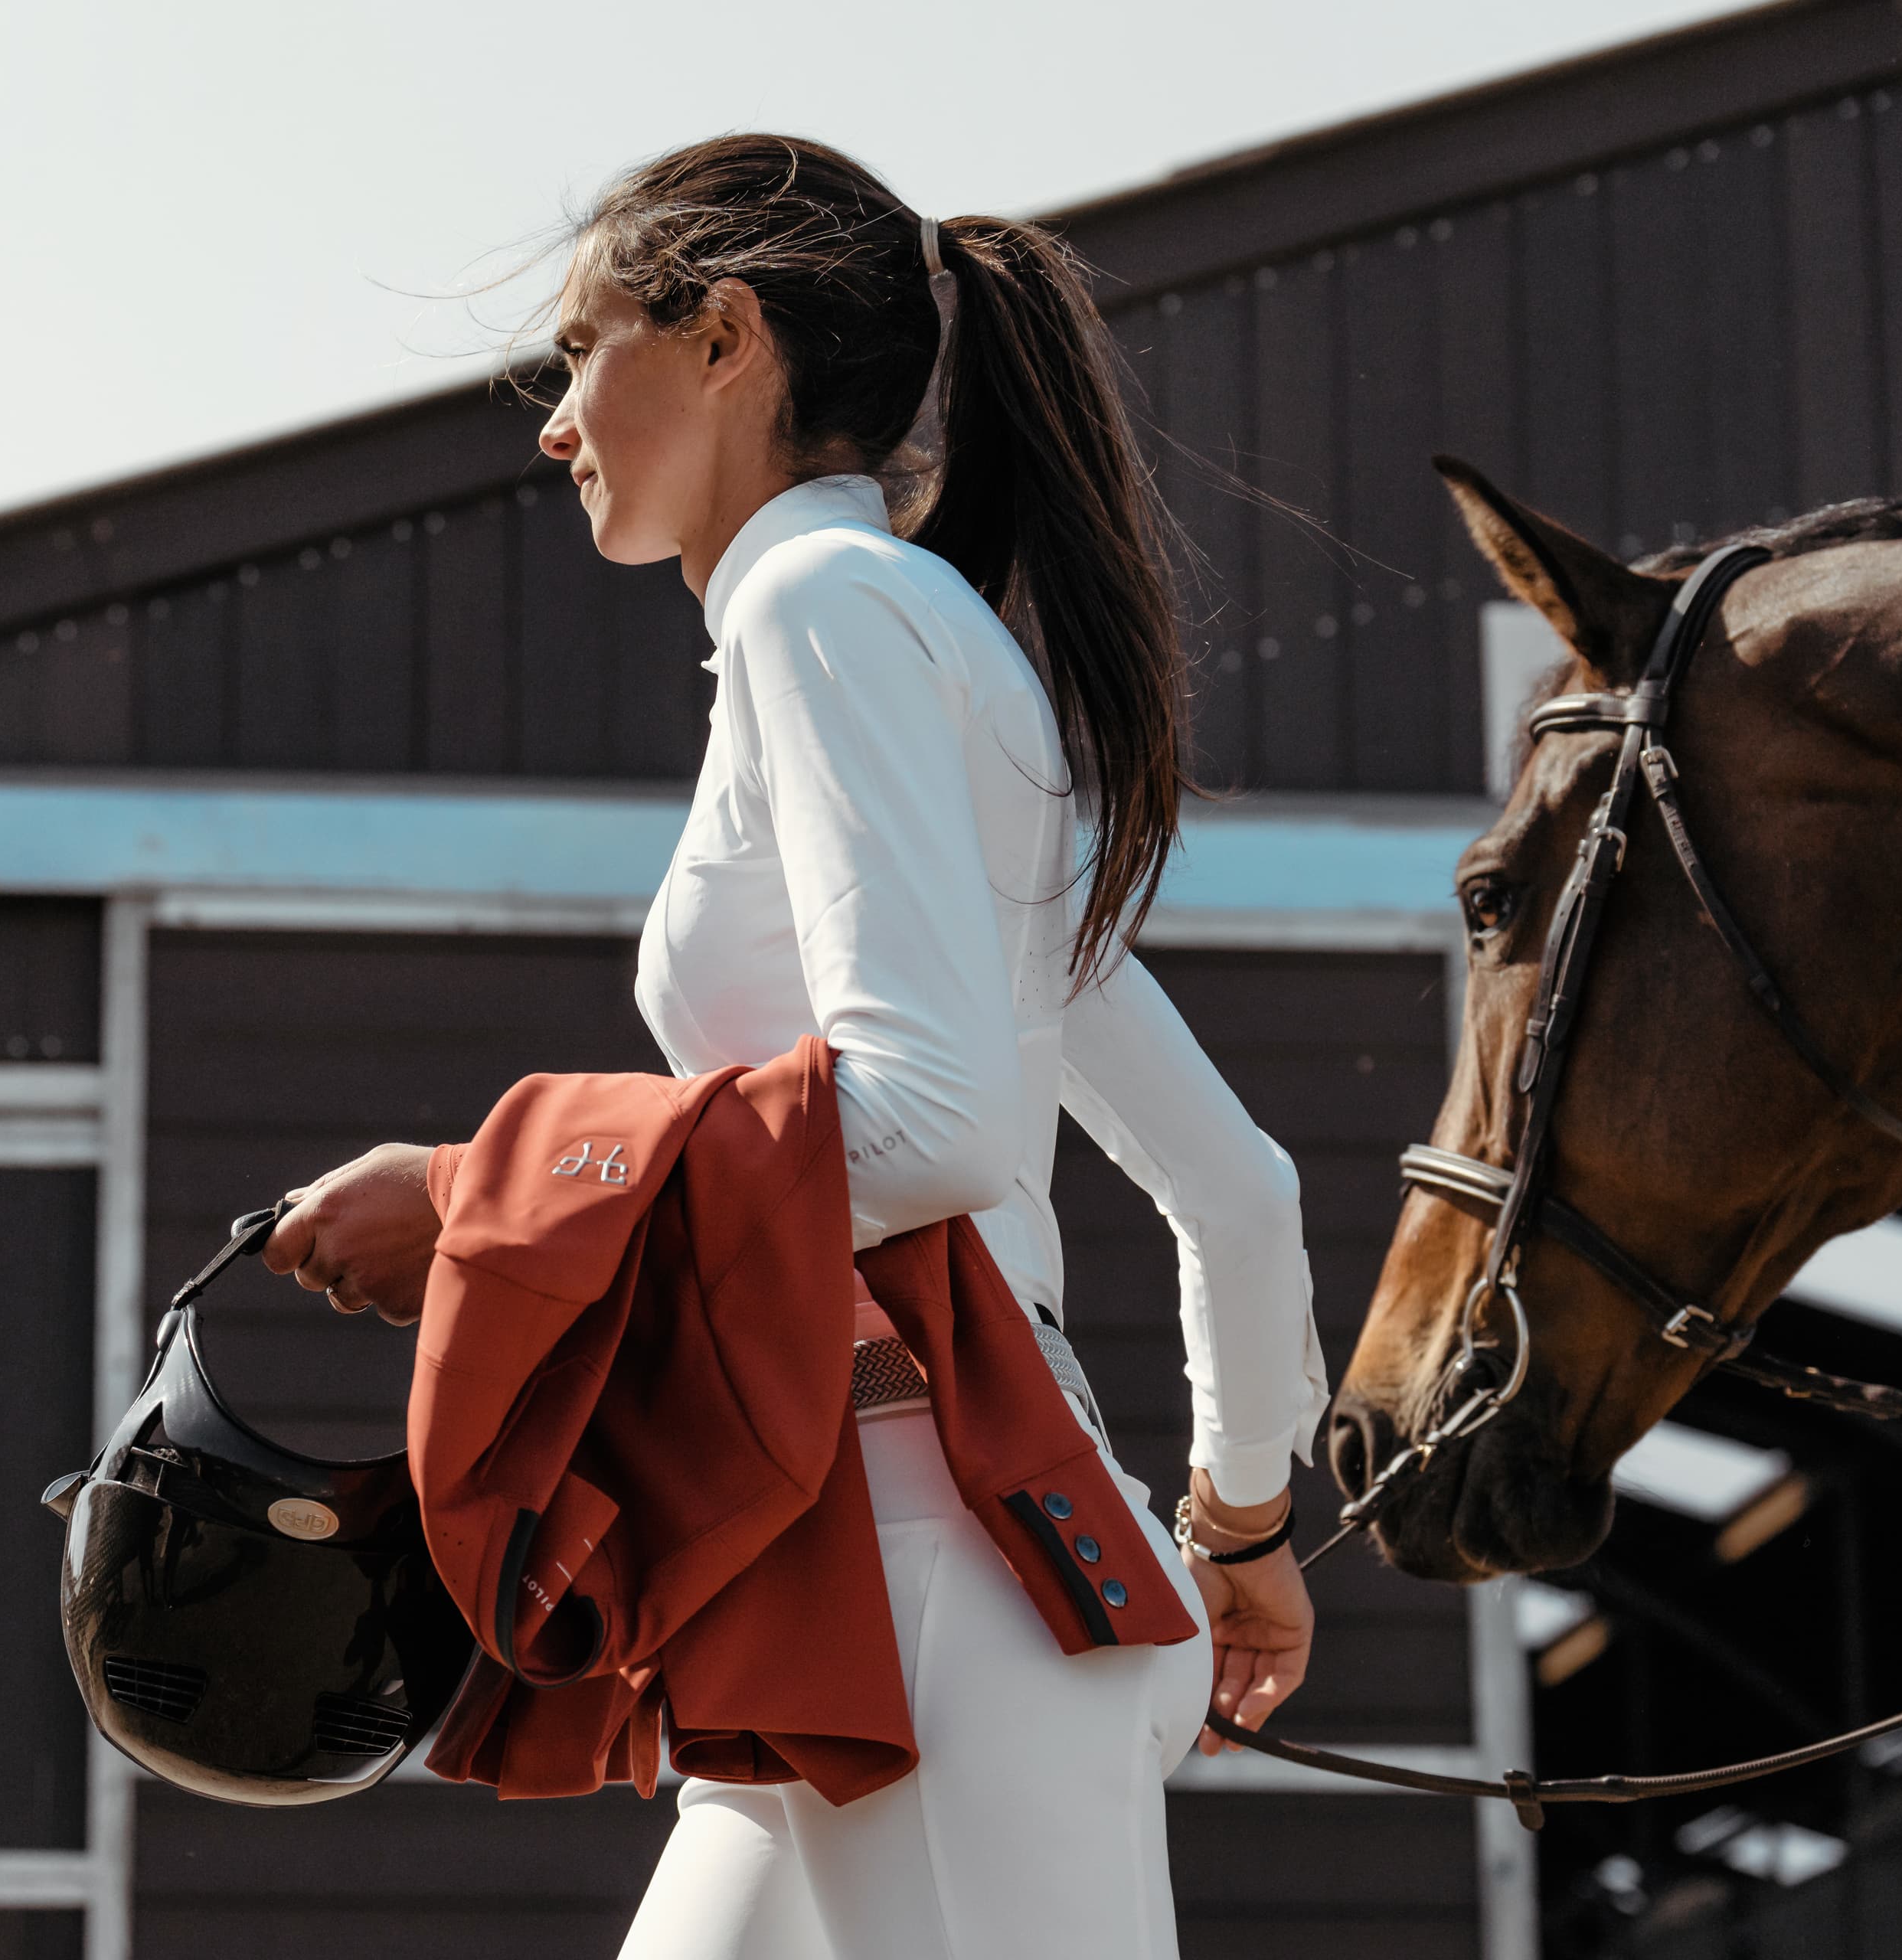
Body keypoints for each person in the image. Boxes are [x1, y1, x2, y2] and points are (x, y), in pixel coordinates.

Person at [261, 134, 1328, 1959]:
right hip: (919, 1581)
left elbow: (935, 1123)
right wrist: (1238, 1525)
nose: (551, 422)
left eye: (580, 348)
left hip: (930, 1586)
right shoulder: (941, 651)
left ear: (724, 334)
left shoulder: (816, 610)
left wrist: (470, 1194)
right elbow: (1236, 1186)